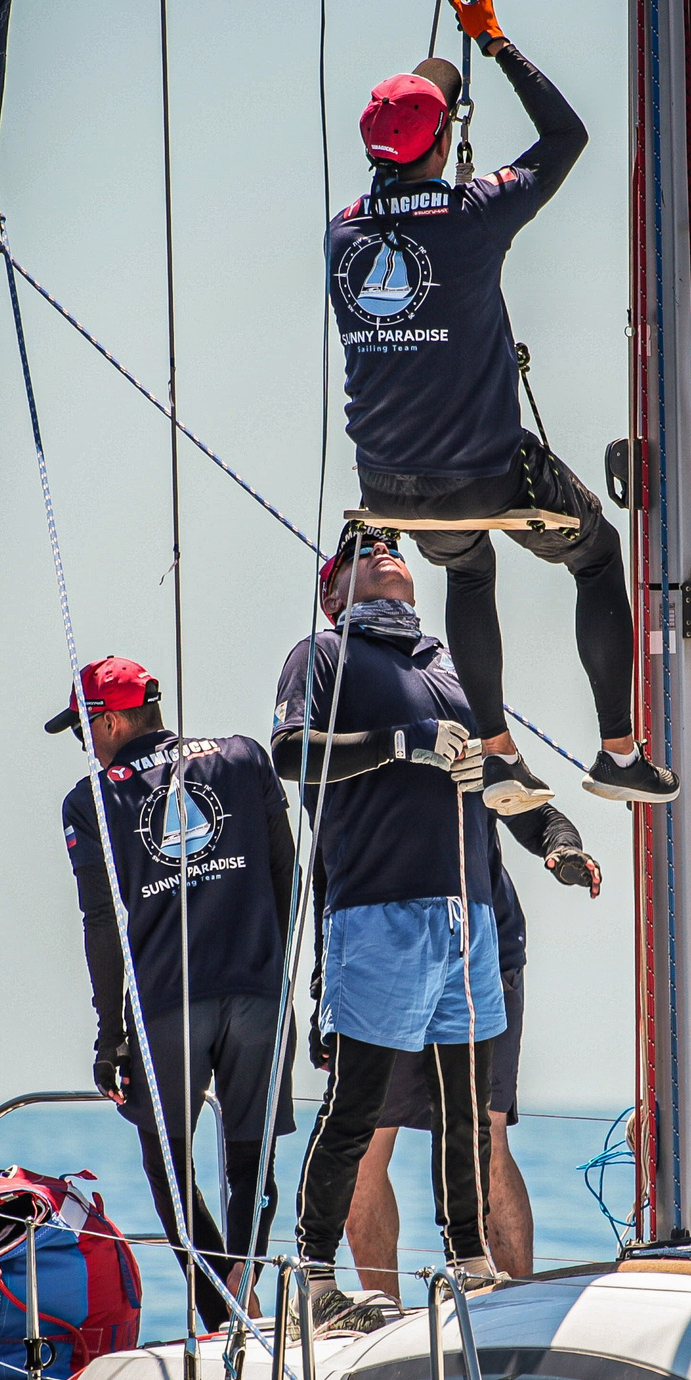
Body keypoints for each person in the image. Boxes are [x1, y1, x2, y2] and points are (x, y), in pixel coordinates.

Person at [331, 0, 676, 813]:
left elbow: (420, 137)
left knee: (470, 570)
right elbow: (567, 132)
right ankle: (617, 750)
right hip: (489, 475)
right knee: (595, 554)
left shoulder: (342, 232)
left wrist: (437, 86)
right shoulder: (474, 214)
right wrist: (493, 40)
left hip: (389, 492)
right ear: (446, 141)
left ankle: (497, 754)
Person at [272, 530, 505, 1329]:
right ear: (334, 591)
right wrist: (398, 745)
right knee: (358, 1105)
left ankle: (471, 1262)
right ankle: (312, 1277)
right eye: (364, 549)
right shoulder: (322, 653)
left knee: (464, 1104)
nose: (385, 545)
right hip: (377, 913)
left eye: (393, 542)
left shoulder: (446, 664)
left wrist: (538, 821)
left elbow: (499, 776)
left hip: (464, 915)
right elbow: (290, 752)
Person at [52, 656, 296, 1333]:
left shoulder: (90, 799)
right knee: (252, 1158)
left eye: (84, 728)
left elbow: (101, 923)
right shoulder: (245, 758)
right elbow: (285, 870)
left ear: (114, 718)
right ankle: (243, 1287)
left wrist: (110, 1036)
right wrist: (274, 966)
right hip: (258, 992)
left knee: (166, 1162)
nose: (86, 743)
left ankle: (219, 1310)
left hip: (166, 1006)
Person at [343, 801, 597, 1299]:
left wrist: (564, 848)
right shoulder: (361, 748)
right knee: (366, 1144)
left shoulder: (472, 730)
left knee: (488, 1135)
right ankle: (383, 1315)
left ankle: (516, 1303)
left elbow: (535, 813)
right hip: (384, 957)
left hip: (485, 952)